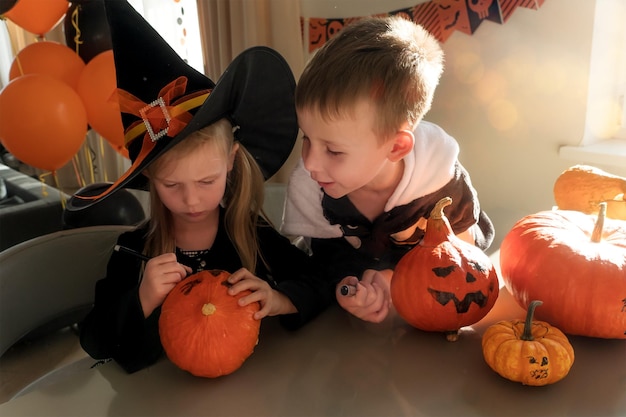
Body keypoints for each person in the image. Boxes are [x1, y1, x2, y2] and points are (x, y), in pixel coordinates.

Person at [68, 0, 331, 373]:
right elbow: (94, 340)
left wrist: (279, 298)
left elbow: (319, 280)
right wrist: (142, 298)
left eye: (207, 181)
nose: (191, 200)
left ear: (230, 161)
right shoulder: (133, 252)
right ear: (151, 179)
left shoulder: (251, 235)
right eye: (171, 184)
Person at [281, 16, 495, 324]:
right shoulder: (314, 186)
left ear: (395, 148)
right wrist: (350, 290)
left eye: (334, 150)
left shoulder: (442, 181)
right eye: (306, 138)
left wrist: (396, 281)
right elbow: (329, 263)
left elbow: (464, 262)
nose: (310, 163)